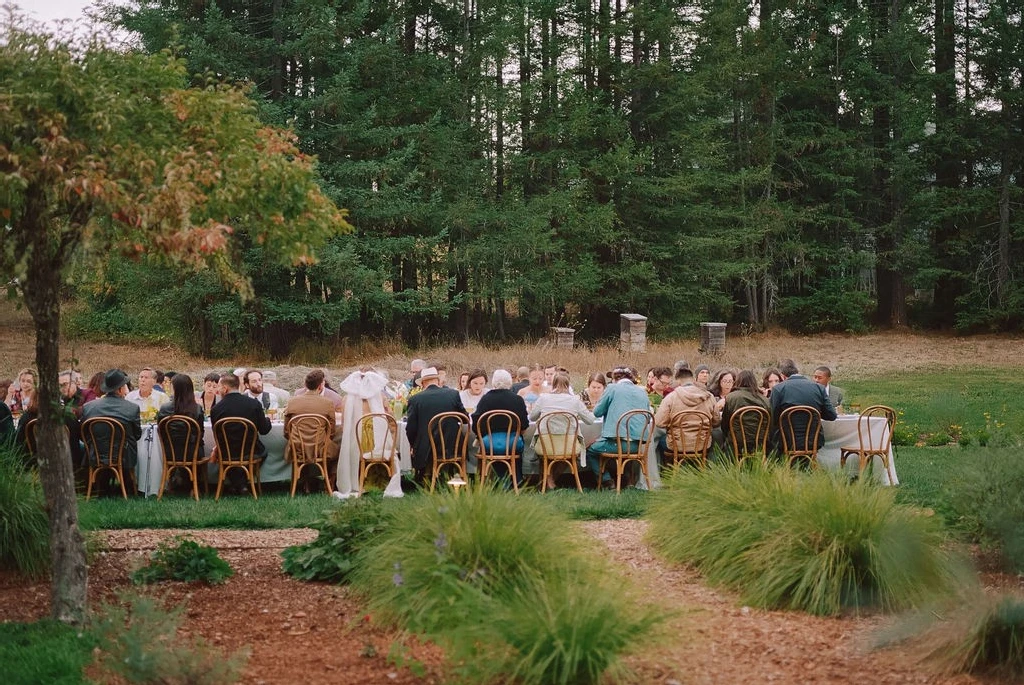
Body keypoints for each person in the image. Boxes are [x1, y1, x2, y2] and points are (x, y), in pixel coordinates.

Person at [586, 367, 651, 486]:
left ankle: (607, 481)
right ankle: (627, 480)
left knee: (590, 449)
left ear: (615, 379)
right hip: (637, 445)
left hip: (617, 445)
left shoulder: (612, 388)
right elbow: (647, 418)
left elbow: (597, 412)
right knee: (618, 446)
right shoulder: (642, 392)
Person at [530, 372, 596, 489]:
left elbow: (532, 417)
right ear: (568, 384)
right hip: (568, 445)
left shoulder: (543, 398)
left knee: (547, 453)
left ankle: (548, 480)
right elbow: (590, 420)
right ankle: (550, 481)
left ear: (553, 384)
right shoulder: (575, 400)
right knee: (568, 453)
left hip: (546, 444)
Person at [210, 373, 272, 494]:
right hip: (251, 451)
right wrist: (268, 419)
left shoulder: (216, 409)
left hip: (226, 453)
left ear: (225, 388)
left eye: (218, 387)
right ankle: (243, 484)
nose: (218, 390)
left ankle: (237, 484)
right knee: (263, 452)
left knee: (232, 454)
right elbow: (264, 430)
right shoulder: (253, 404)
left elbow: (216, 434)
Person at [81, 369, 143, 490]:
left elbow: (85, 433)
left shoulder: (88, 407)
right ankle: (129, 485)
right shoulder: (132, 408)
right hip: (124, 456)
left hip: (95, 454)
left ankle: (99, 485)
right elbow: (137, 435)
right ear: (120, 390)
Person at [405, 367, 468, 482]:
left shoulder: (415, 399)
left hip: (427, 448)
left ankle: (425, 476)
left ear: (423, 384)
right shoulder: (453, 394)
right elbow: (465, 419)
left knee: (421, 441)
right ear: (438, 381)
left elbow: (411, 429)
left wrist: (413, 445)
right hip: (453, 445)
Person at [335, 367, 390, 498]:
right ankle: (378, 480)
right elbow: (389, 418)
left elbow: (344, 425)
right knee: (388, 443)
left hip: (355, 443)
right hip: (377, 444)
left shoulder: (347, 399)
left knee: (346, 443)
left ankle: (356, 480)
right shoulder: (380, 397)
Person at [770, 359, 837, 458]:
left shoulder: (778, 389)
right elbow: (832, 416)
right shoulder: (819, 388)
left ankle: (781, 467)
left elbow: (773, 418)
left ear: (782, 376)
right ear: (797, 372)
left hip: (787, 441)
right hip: (813, 441)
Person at [472, 369, 529, 484]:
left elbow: (476, 424)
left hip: (489, 443)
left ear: (493, 383)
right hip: (512, 443)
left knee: (491, 447)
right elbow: (524, 425)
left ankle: (496, 480)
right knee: (517, 445)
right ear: (510, 382)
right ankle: (515, 479)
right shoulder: (517, 399)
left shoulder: (485, 399)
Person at [654, 368, 720, 460]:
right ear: (693, 380)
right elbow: (716, 422)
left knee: (656, 440)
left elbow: (659, 422)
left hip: (677, 445)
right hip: (702, 444)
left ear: (678, 381)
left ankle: (665, 470)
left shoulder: (671, 398)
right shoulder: (709, 397)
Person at [156, 374, 206, 491]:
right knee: (199, 446)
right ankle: (195, 484)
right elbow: (200, 433)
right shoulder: (196, 408)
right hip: (191, 452)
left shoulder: (165, 408)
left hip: (170, 451)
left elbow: (161, 431)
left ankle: (175, 479)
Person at [15, 388, 84, 469]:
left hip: (35, 461)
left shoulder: (25, 418)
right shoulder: (67, 417)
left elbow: (19, 443)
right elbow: (79, 436)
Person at [721, 370, 772, 455]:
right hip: (760, 441)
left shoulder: (731, 397)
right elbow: (770, 424)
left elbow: (725, 424)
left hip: (737, 441)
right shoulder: (765, 400)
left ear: (738, 381)